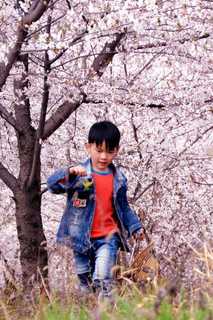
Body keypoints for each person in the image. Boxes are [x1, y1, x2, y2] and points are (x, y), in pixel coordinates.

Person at [46, 121, 145, 299]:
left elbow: (123, 206)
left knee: (103, 275)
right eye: (99, 151)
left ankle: (108, 311)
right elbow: (52, 186)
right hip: (80, 238)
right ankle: (89, 310)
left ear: (117, 150)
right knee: (85, 282)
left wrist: (135, 225)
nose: (104, 157)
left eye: (109, 151)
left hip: (108, 237)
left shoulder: (119, 178)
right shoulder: (79, 174)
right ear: (88, 147)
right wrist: (68, 172)